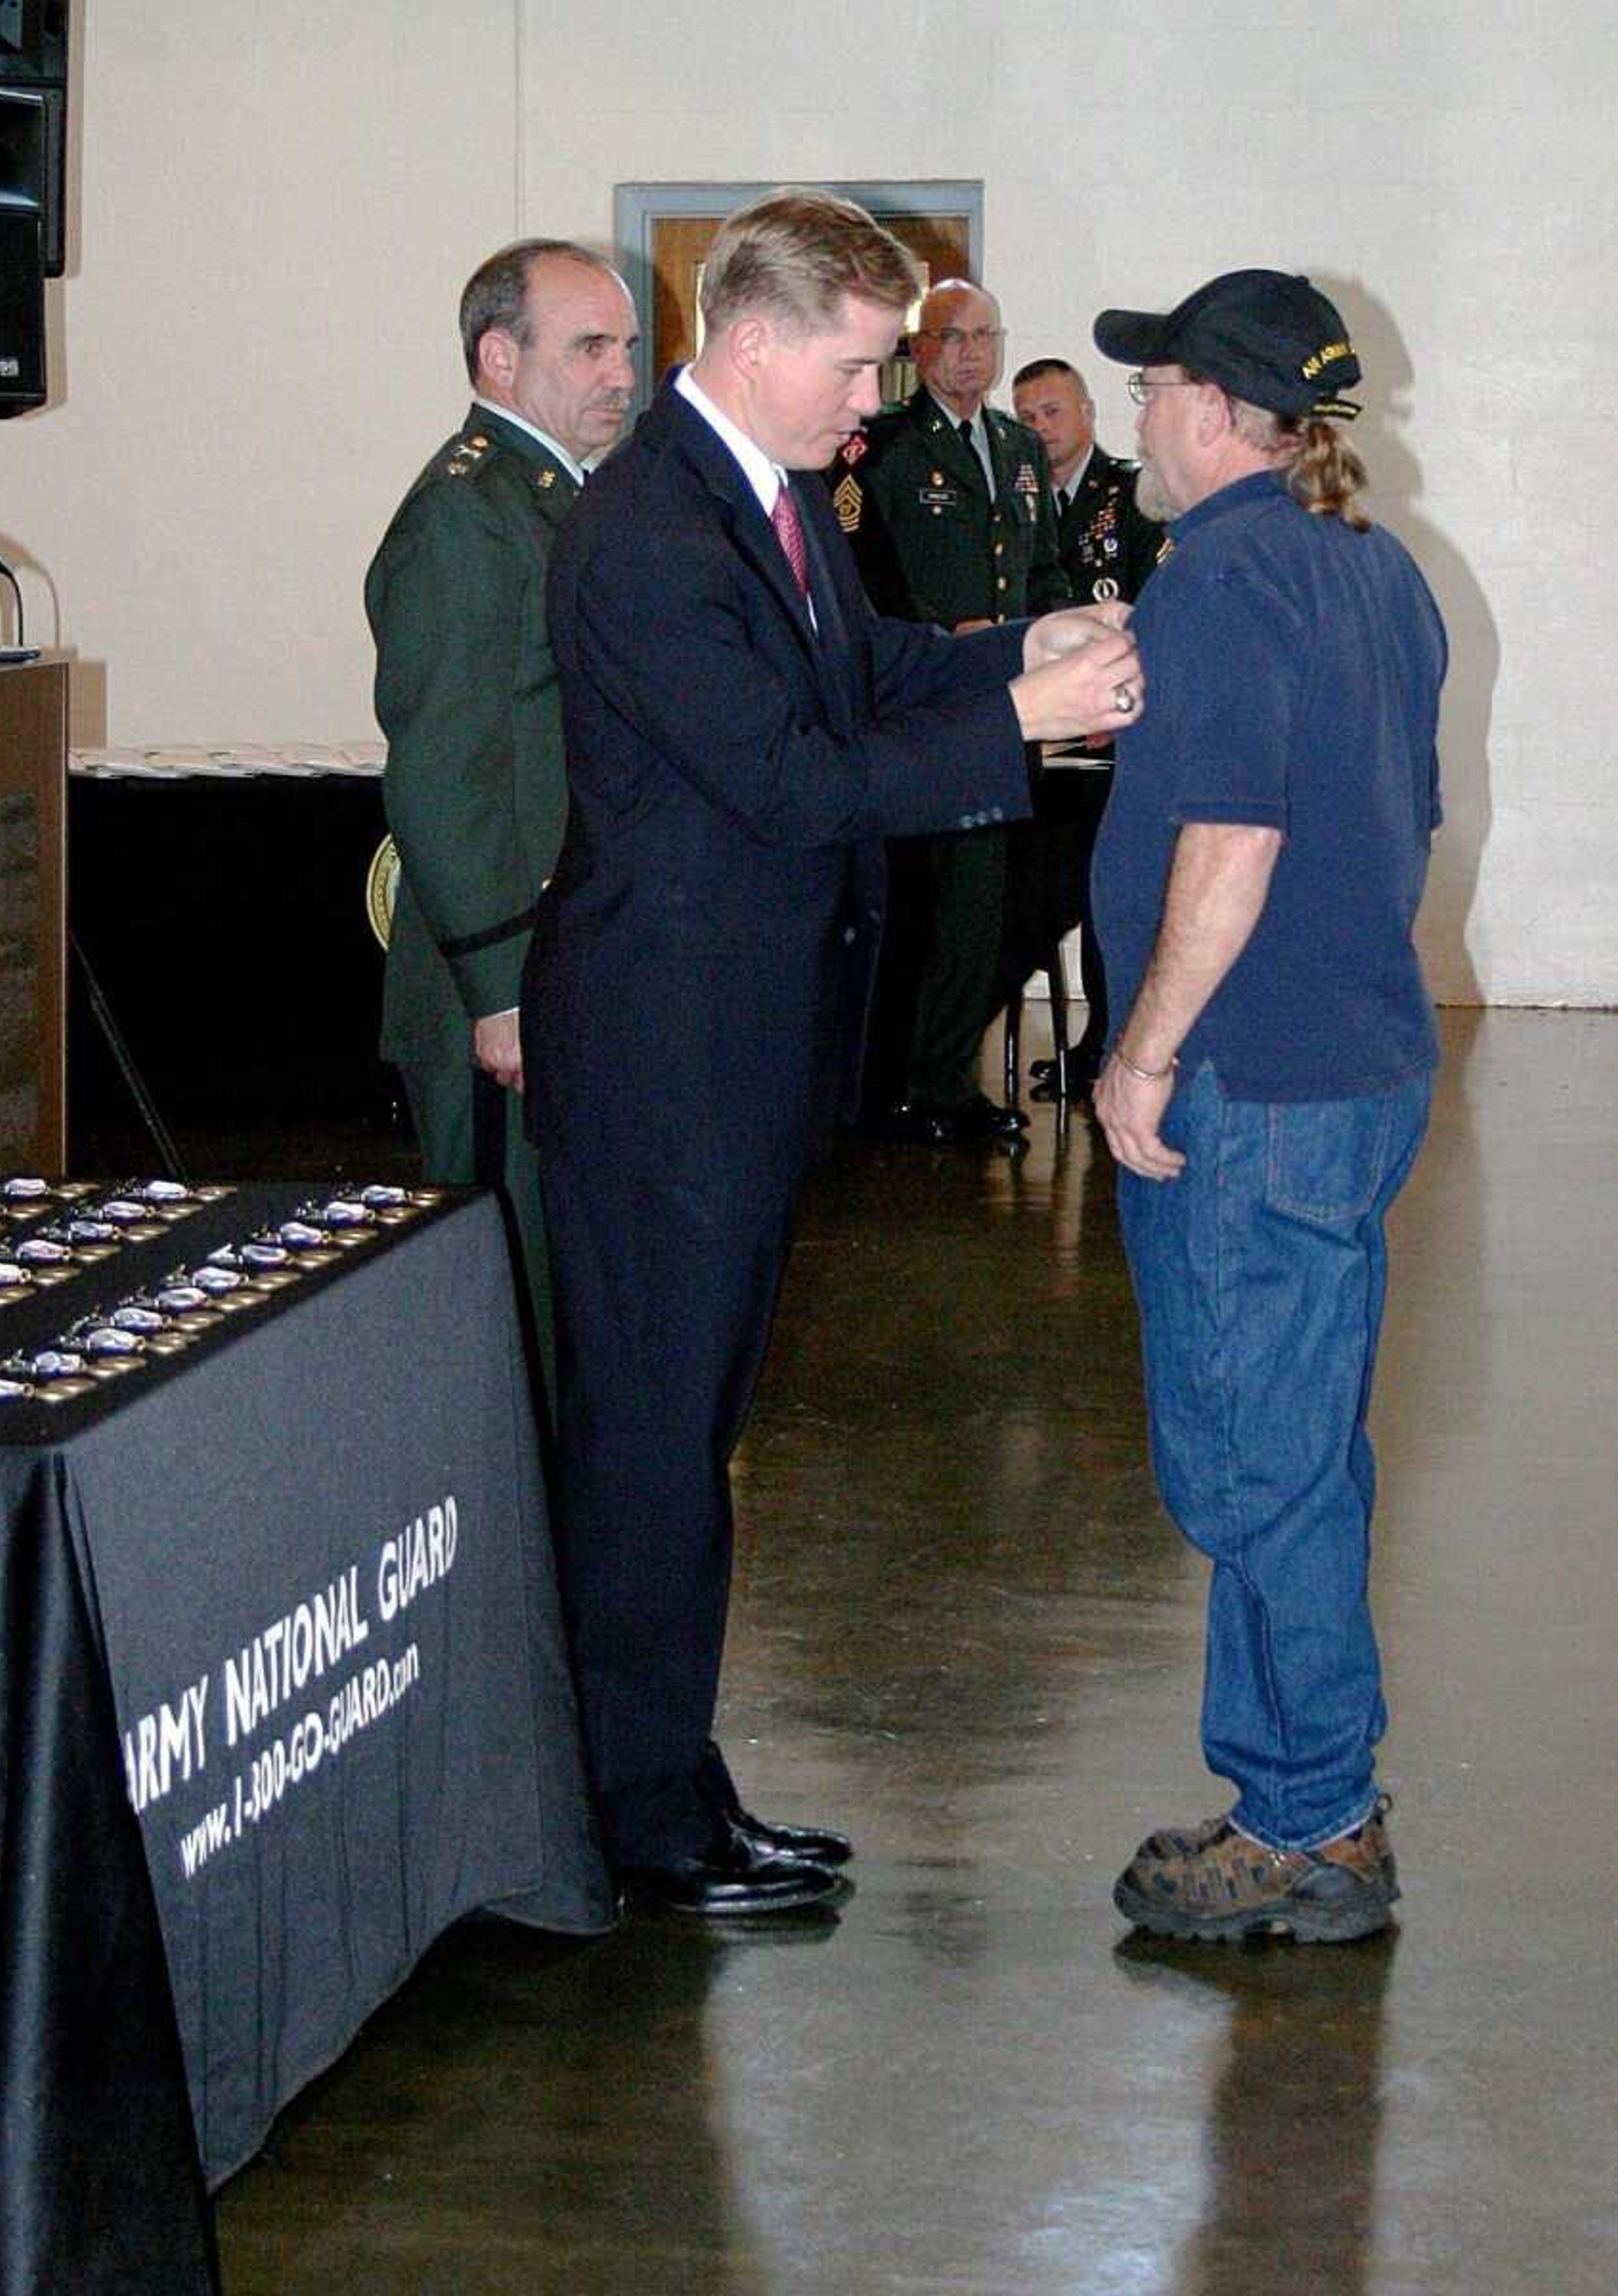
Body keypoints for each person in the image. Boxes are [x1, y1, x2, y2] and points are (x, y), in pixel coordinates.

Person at [523, 189, 1143, 1918]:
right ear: (759, 340)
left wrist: (1015, 642)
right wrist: (1023, 719)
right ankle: (641, 1819)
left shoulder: (759, 492)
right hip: (663, 1065)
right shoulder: (652, 532)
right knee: (654, 1445)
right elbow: (789, 781)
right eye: (861, 362)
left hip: (721, 1053)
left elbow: (858, 666)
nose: (876, 398)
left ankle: (660, 1775)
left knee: (678, 1433)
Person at [1088, 269, 1447, 1941]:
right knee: (1298, 1436)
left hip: (1252, 1089)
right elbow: (1400, 816)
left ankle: (1311, 1819)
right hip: (1357, 1067)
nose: (1136, 417)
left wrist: (1146, 1049)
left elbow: (1232, 847)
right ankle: (1297, 1787)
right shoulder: (1377, 577)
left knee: (1261, 1457)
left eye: (1154, 386)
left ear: (1219, 413)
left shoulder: (1224, 581)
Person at [365, 240, 636, 1411]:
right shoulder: (468, 519)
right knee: (502, 1276)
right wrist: (499, 989)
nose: (622, 373)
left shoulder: (552, 501)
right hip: (508, 971)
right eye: (591, 346)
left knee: (560, 1276)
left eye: (627, 346)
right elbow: (443, 771)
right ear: (498, 354)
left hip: (566, 953)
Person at [831, 280, 1073, 1143]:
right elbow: (860, 586)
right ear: (919, 350)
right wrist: (941, 634)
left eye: (984, 337)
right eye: (952, 337)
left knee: (983, 909)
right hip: (921, 711)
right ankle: (892, 1084)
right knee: (912, 909)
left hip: (1006, 711)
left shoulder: (1015, 445)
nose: (971, 353)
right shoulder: (882, 448)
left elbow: (1044, 567)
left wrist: (1059, 639)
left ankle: (940, 1084)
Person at [999, 357, 1168, 1100]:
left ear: (1089, 414)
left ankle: (1106, 1040)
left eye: (1053, 412)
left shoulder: (1131, 494)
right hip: (1039, 746)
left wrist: (1118, 707)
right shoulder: (1012, 497)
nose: (1040, 428)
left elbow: (1153, 611)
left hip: (1112, 747)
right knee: (1029, 893)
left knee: (1110, 900)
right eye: (1027, 415)